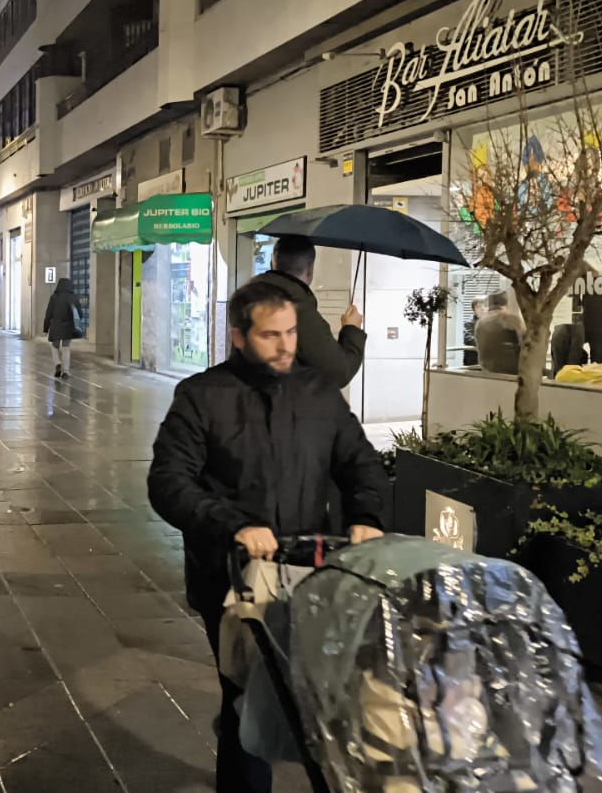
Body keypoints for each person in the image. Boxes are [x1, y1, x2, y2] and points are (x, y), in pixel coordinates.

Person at [148, 280, 387, 793]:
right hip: (231, 578)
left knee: (316, 694)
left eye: (291, 333)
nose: (285, 346)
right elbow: (168, 482)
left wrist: (366, 515)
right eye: (270, 335)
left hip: (310, 572)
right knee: (246, 695)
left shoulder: (318, 393)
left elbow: (361, 463)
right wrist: (232, 525)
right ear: (238, 336)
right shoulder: (202, 396)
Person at [251, 235, 365, 388]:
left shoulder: (250, 299)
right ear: (310, 270)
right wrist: (352, 329)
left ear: (272, 263)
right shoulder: (297, 310)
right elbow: (338, 373)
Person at [475, 290, 524, 375]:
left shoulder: (480, 323)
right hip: (511, 371)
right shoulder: (511, 320)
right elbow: (524, 342)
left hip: (487, 369)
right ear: (505, 304)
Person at [42, 277, 79, 379]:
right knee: (66, 347)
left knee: (55, 346)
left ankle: (57, 363)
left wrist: (45, 328)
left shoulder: (54, 297)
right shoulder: (73, 297)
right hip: (68, 326)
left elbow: (48, 313)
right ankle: (66, 371)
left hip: (56, 325)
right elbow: (79, 312)